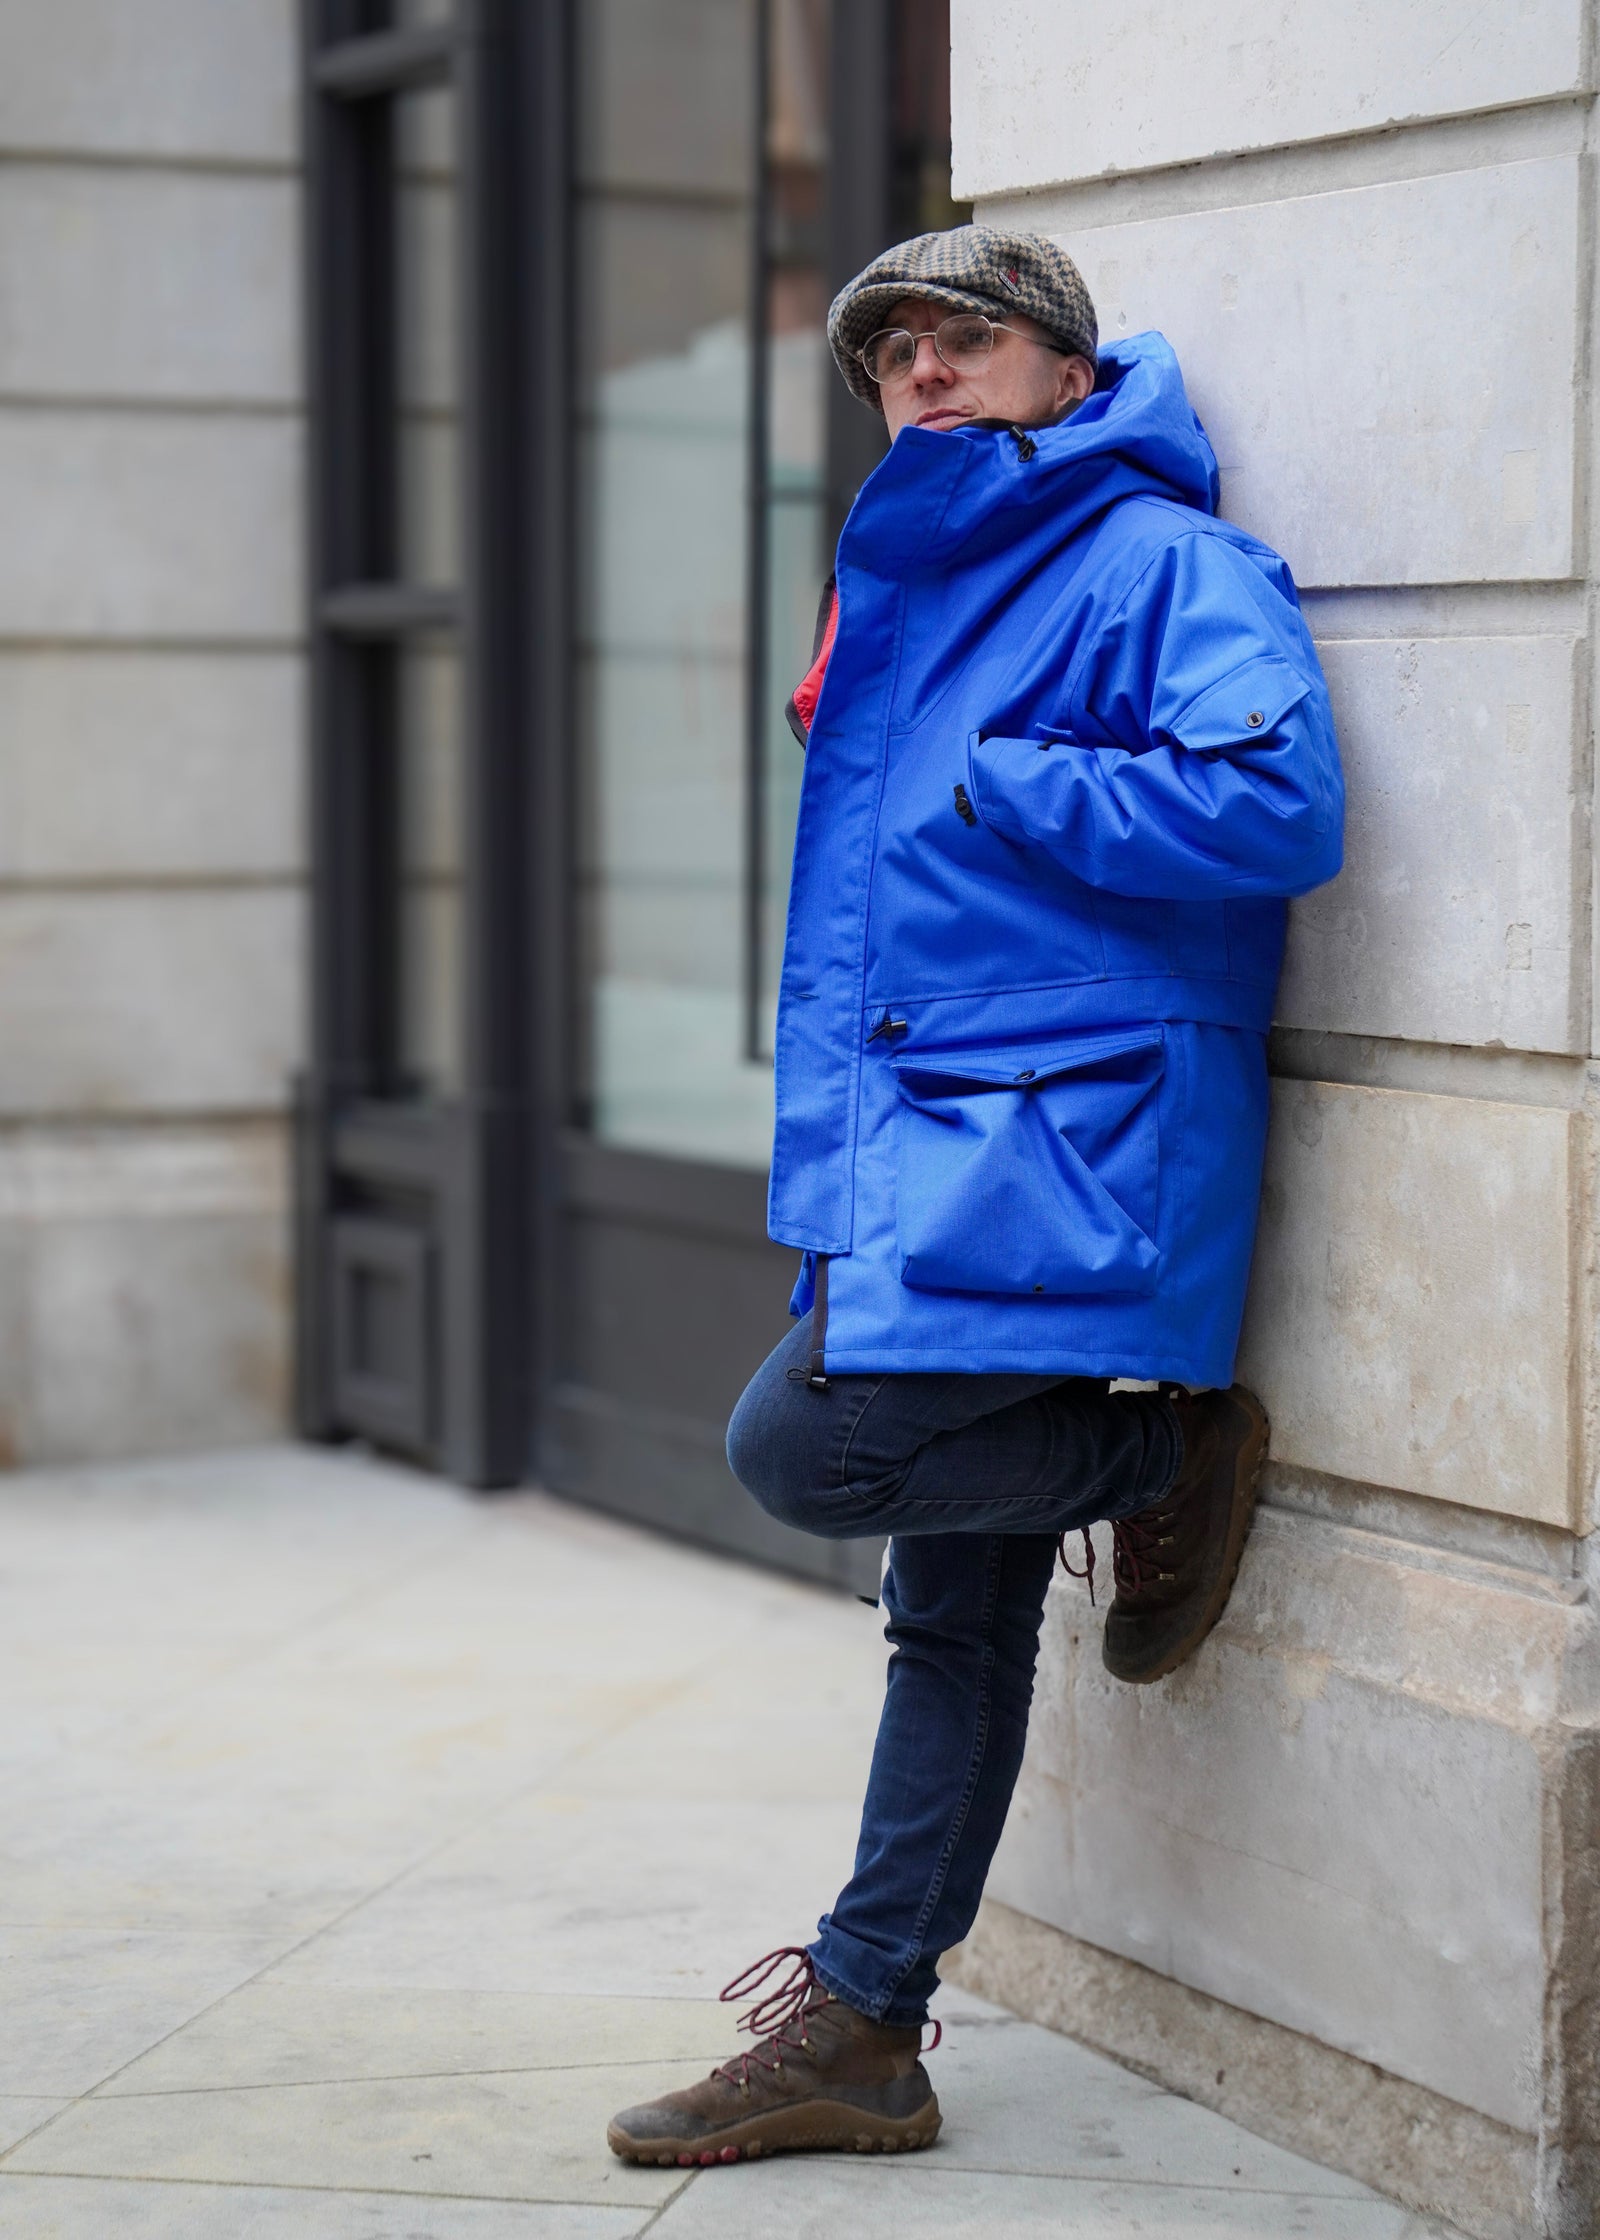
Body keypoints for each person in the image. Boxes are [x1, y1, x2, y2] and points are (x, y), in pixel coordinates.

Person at [607, 225, 1343, 2170]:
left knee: (805, 1450)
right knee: (947, 1613)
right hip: (940, 1141)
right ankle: (866, 2020)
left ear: (1064, 367)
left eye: (962, 338)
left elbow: (1277, 809)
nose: (919, 371)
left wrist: (1015, 780)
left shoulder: (1154, 563)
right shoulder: (925, 583)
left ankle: (1157, 1469)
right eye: (887, 354)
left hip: (1058, 1146)